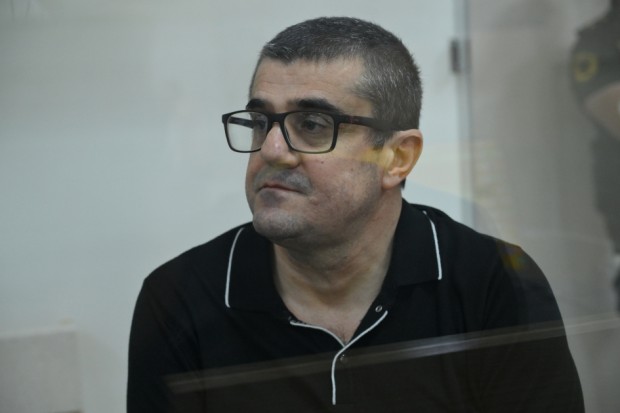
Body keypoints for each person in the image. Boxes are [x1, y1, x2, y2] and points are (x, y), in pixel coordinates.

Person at [128, 17, 584, 412]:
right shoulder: (179, 298)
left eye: (312, 125)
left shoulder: (494, 283)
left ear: (396, 157)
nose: (271, 150)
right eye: (261, 122)